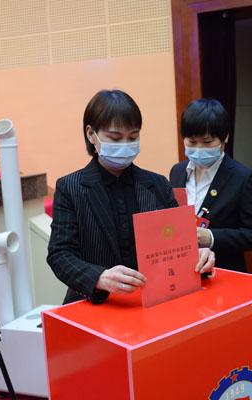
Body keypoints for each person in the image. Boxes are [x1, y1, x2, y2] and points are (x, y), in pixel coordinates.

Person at [47, 89, 215, 304]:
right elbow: (60, 254)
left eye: (133, 137)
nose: (125, 145)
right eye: (115, 138)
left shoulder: (157, 184)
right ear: (91, 134)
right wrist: (99, 277)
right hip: (96, 303)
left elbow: (179, 242)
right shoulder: (70, 187)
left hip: (154, 300)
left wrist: (199, 254)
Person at [169, 98, 252, 272]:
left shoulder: (244, 177)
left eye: (207, 142)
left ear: (225, 137)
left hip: (224, 270)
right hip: (181, 269)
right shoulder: (177, 171)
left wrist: (211, 237)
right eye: (192, 142)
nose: (199, 148)